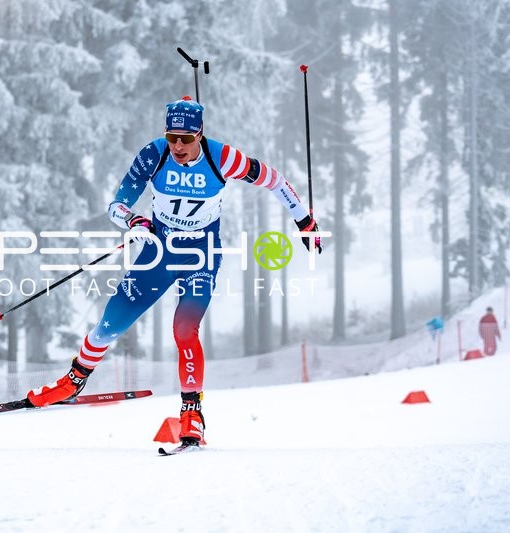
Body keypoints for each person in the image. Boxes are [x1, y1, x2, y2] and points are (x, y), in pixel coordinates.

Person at [26, 96, 322, 446]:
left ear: (200, 134)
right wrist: (134, 220)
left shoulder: (222, 157)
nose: (178, 146)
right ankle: (73, 381)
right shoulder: (154, 154)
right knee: (109, 325)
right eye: (172, 137)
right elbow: (117, 205)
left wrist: (304, 220)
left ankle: (192, 412)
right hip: (160, 252)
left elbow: (274, 180)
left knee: (184, 329)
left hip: (201, 255)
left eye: (186, 138)